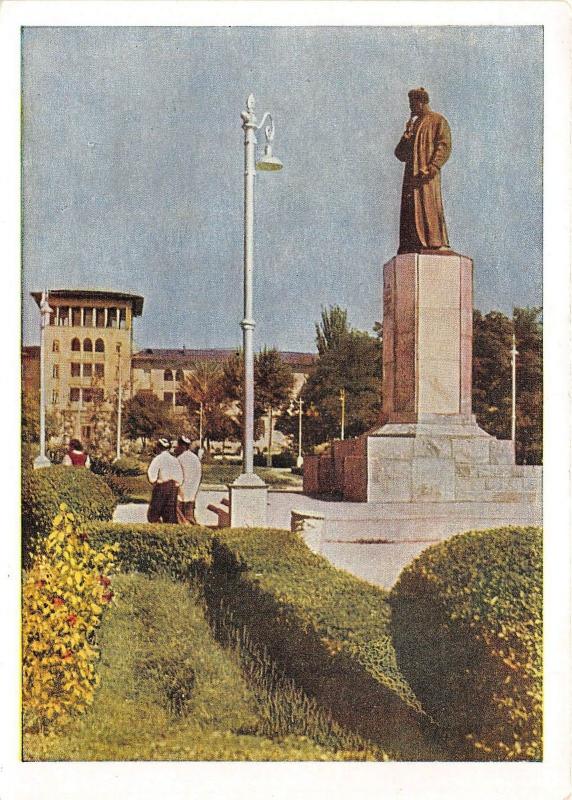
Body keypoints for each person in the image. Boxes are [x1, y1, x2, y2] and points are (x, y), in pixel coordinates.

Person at [394, 87, 452, 254]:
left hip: (426, 177)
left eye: (412, 104)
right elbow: (400, 154)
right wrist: (406, 136)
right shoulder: (414, 125)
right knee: (411, 211)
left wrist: (433, 166)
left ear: (420, 102)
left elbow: (444, 144)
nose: (411, 108)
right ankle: (412, 243)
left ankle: (433, 242)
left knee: (428, 207)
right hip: (411, 179)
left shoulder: (437, 121)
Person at [147, 437, 184, 524]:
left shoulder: (158, 459)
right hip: (173, 488)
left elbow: (151, 475)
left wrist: (154, 482)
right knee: (170, 514)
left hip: (162, 487)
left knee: (153, 514)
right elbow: (180, 478)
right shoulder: (174, 460)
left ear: (159, 447)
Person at [174, 435, 202, 524]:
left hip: (180, 496)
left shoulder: (179, 459)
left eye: (177, 446)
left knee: (179, 520)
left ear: (182, 446)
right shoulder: (195, 459)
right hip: (192, 494)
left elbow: (176, 477)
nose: (176, 448)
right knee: (190, 517)